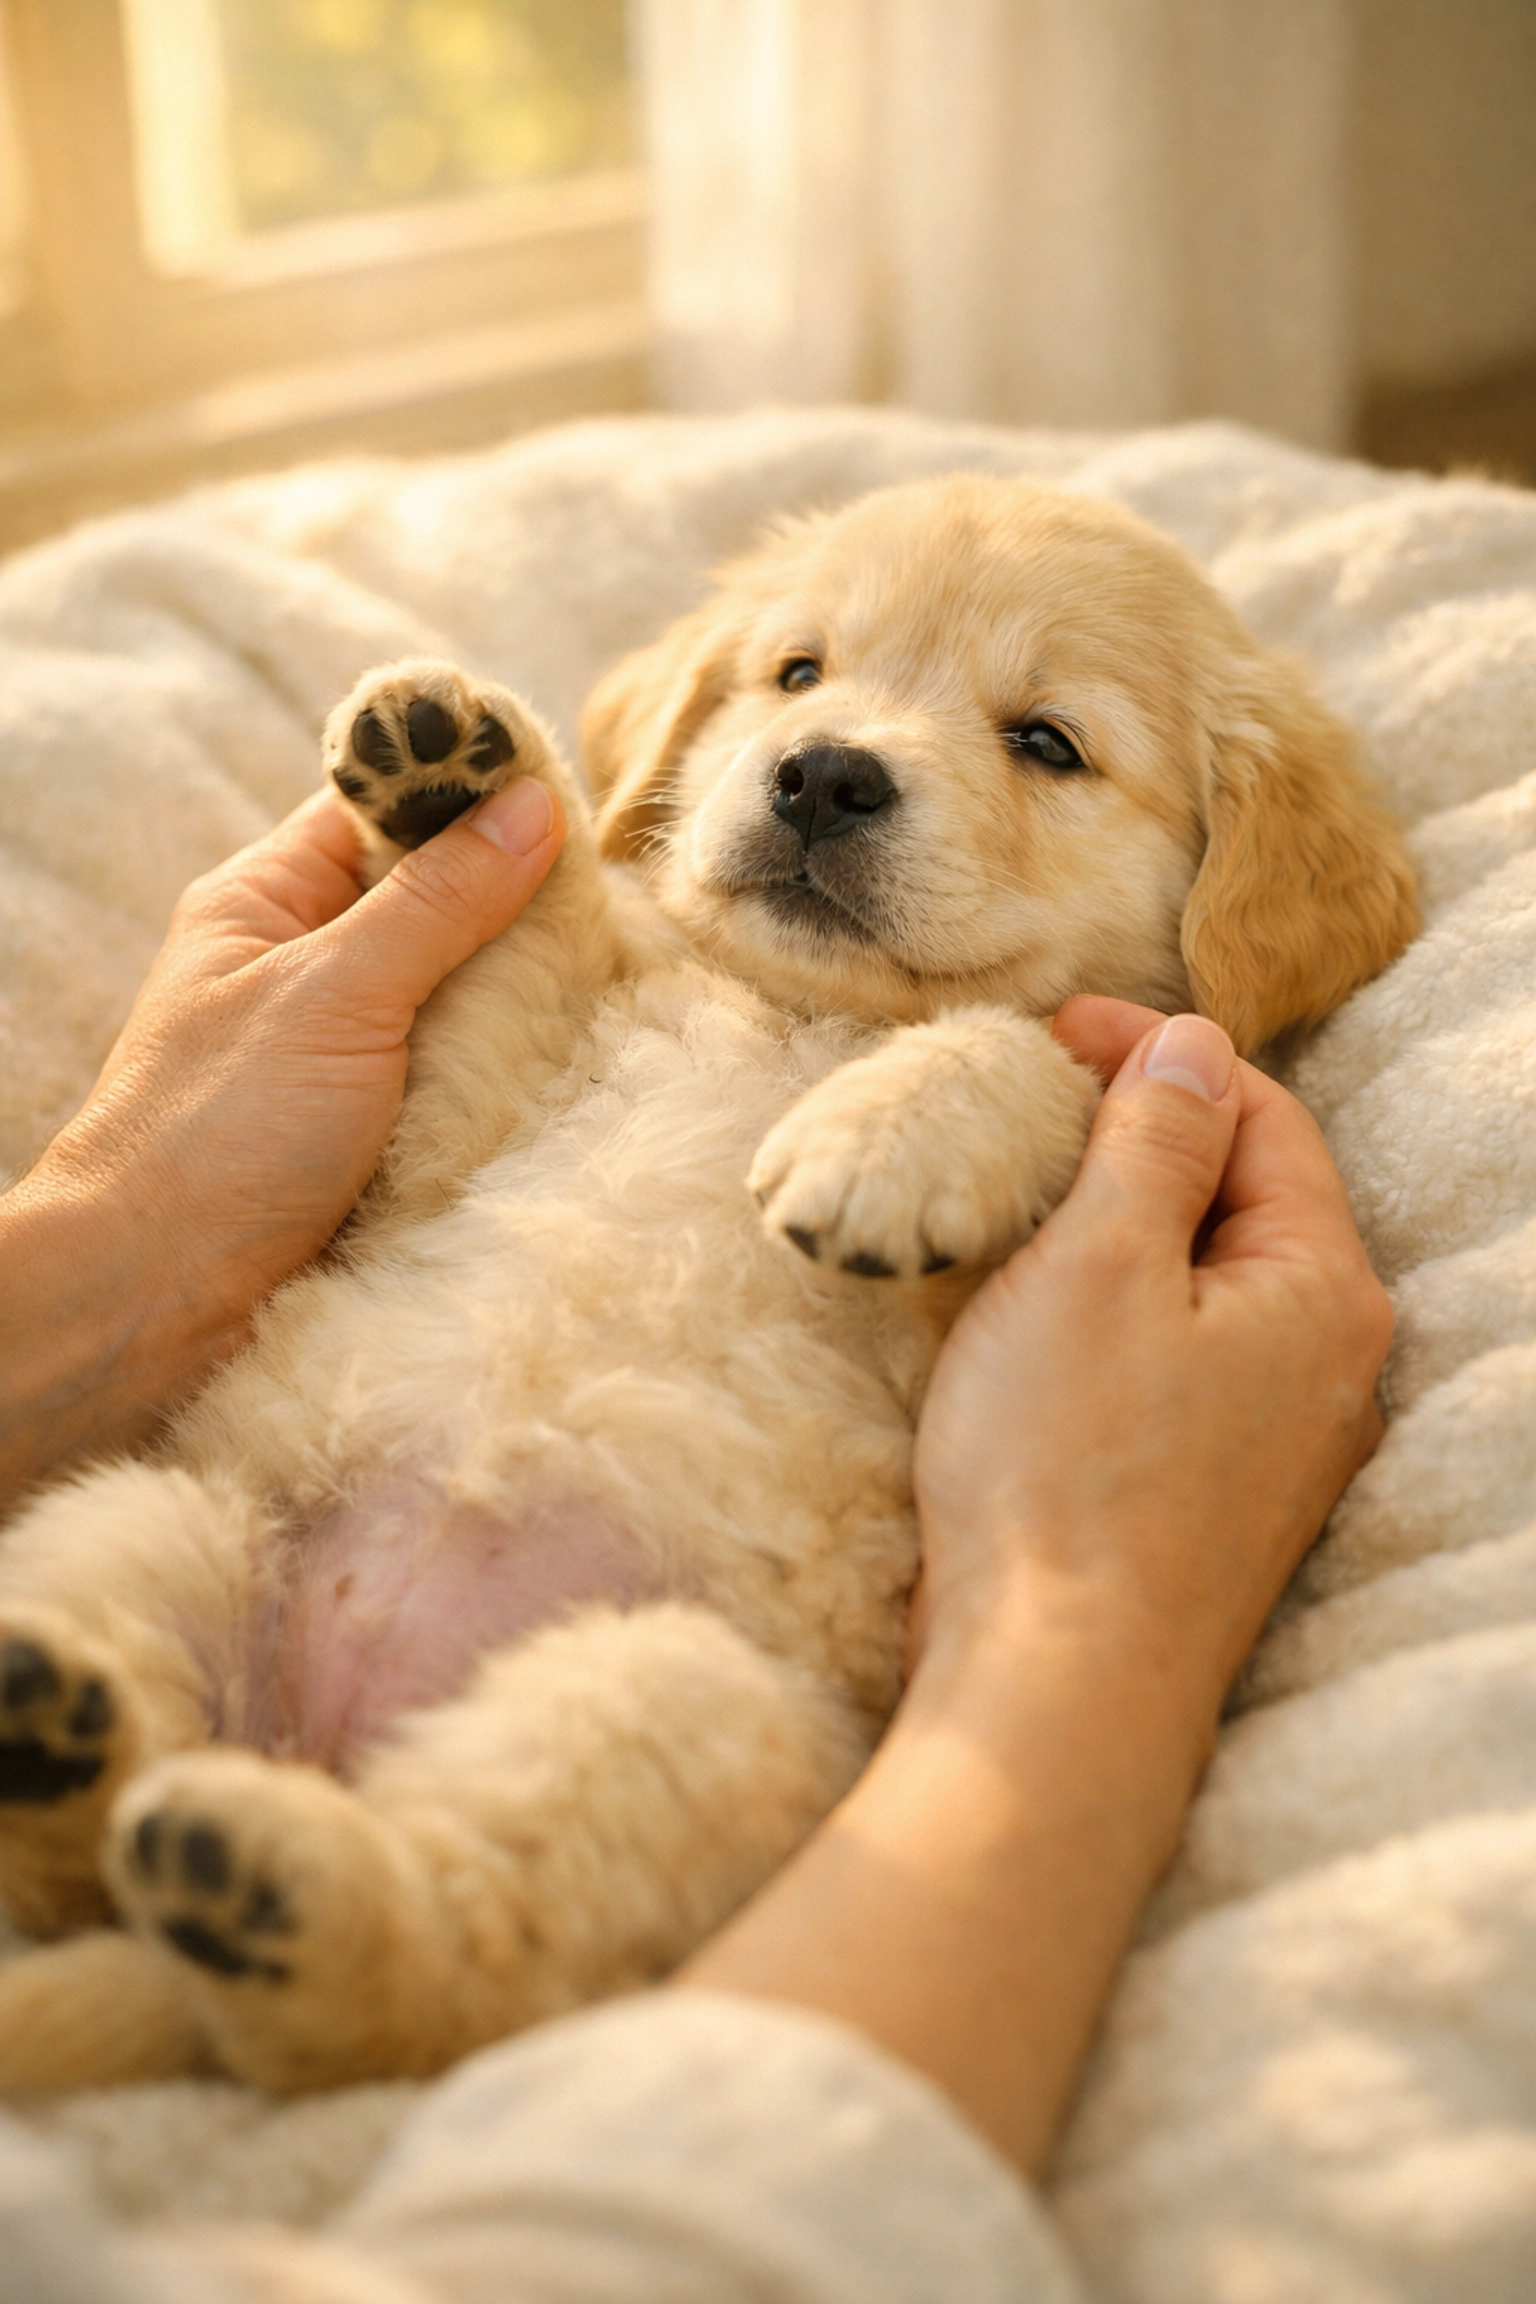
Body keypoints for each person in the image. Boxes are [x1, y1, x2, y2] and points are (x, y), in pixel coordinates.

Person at [0, 780, 1388, 2304]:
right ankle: (77, 1804)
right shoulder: (638, 976)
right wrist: (502, 861)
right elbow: (452, 1122)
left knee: (686, 1719)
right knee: (140, 1537)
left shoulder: (1033, 1097)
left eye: (1042, 740)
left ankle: (410, 1941)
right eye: (799, 670)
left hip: (656, 1636)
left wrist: (124, 1239)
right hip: (269, 1560)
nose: (842, 754)